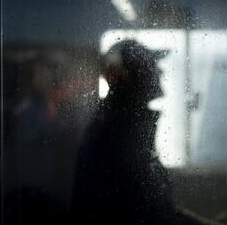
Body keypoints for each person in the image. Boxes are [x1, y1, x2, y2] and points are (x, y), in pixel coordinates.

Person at [71, 39, 205, 224]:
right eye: (149, 65)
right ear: (127, 77)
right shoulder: (122, 131)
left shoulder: (124, 123)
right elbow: (144, 213)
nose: (160, 70)